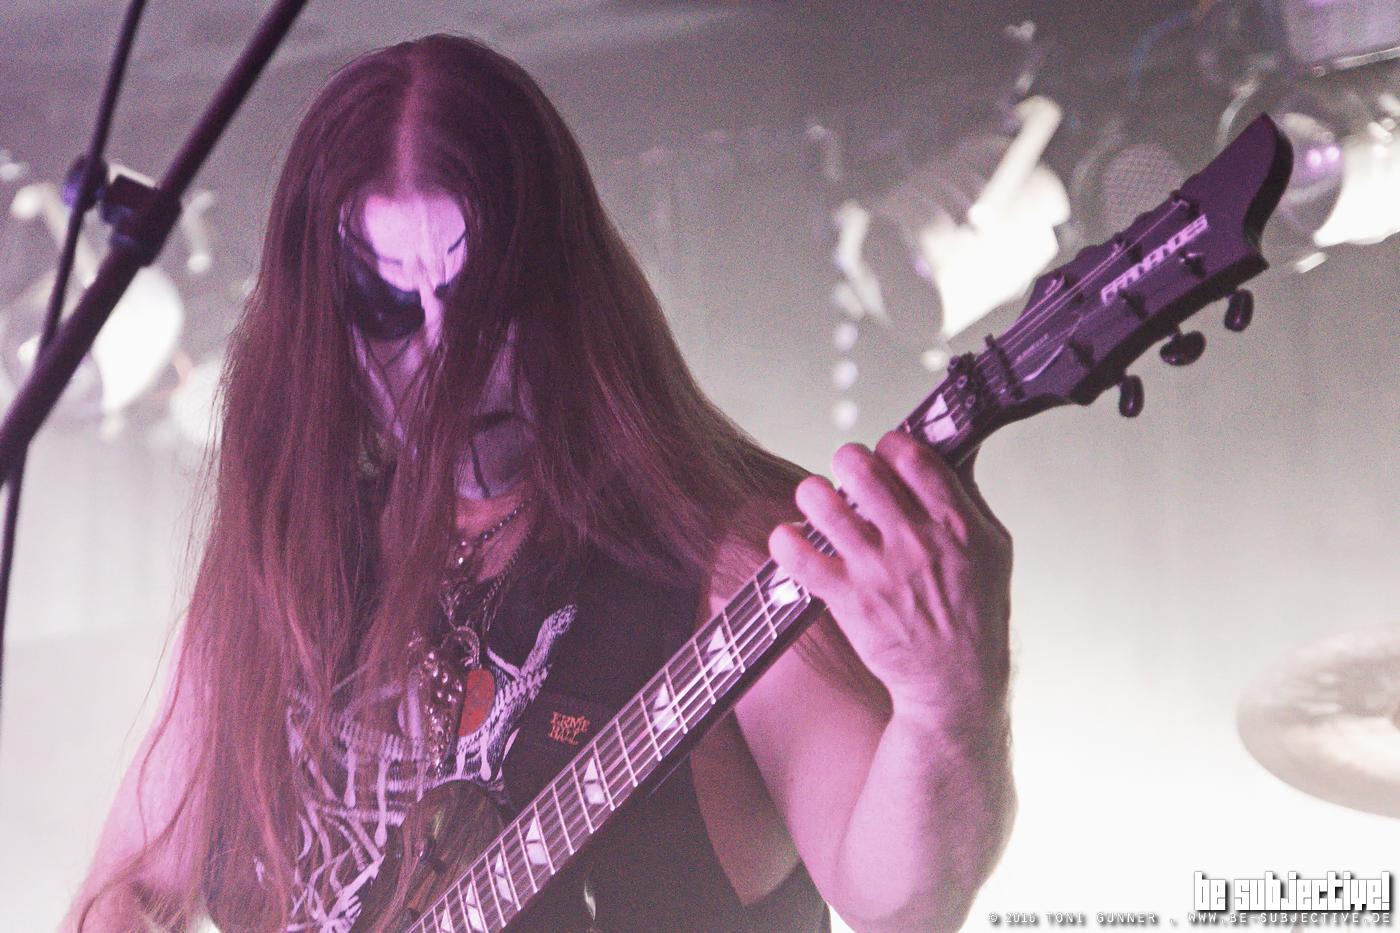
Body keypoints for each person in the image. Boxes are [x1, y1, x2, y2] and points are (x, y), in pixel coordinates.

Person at [64, 33, 1014, 933]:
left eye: (485, 300)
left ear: (565, 288)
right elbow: (124, 890)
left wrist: (948, 704)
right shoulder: (288, 559)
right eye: (389, 307)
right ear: (323, 327)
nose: (445, 356)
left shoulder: (728, 565)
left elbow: (901, 905)